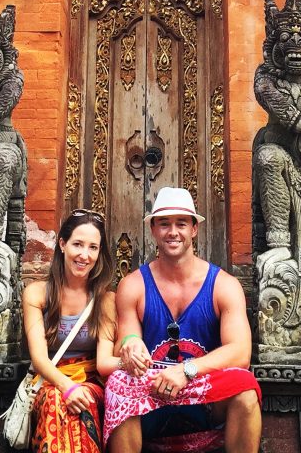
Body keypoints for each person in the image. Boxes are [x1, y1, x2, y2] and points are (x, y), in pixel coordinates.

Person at [104, 188, 262, 453]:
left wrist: (186, 371)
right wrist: (131, 345)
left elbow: (240, 352)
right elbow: (126, 337)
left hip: (204, 394)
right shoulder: (133, 285)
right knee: (118, 383)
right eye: (164, 224)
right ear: (153, 230)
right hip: (152, 392)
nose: (173, 232)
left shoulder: (223, 285)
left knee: (245, 388)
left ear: (194, 229)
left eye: (181, 224)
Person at [23, 209, 120, 453]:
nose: (84, 255)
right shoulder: (37, 294)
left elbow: (104, 361)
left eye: (93, 248)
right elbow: (39, 358)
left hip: (90, 381)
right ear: (63, 244)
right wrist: (67, 386)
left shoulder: (106, 300)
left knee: (81, 400)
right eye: (78, 244)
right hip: (49, 379)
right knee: (56, 400)